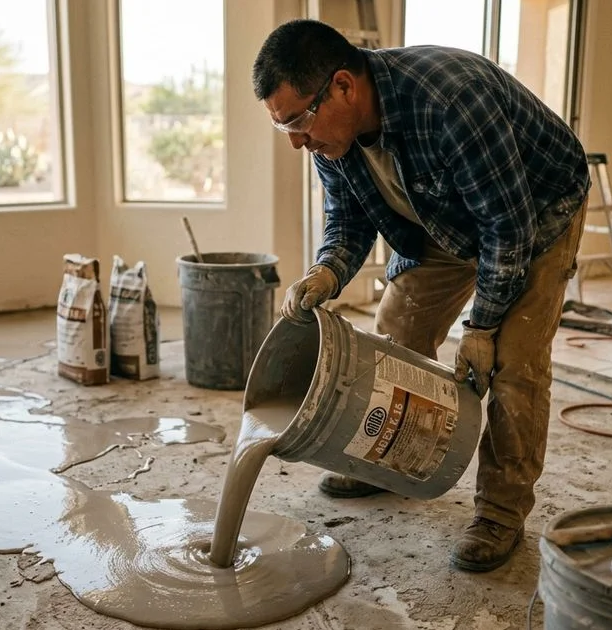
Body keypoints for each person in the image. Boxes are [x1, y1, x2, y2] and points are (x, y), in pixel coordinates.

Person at [252, 19, 590, 572]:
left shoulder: (452, 99)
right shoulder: (327, 135)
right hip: (443, 216)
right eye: (282, 126)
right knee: (396, 333)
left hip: (536, 211)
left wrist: (481, 330)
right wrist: (326, 272)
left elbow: (506, 230)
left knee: (514, 363)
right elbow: (347, 220)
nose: (295, 140)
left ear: (343, 86)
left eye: (297, 121)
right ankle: (394, 463)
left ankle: (501, 514)